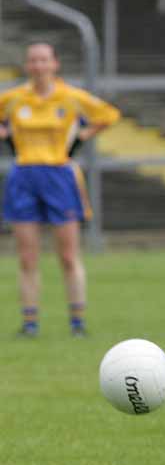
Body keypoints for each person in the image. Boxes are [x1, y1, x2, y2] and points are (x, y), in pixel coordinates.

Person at [0, 42, 120, 337]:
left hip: (59, 177)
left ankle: (77, 321)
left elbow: (108, 115)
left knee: (68, 256)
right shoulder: (14, 99)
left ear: (55, 64)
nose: (39, 65)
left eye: (44, 60)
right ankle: (30, 323)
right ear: (28, 66)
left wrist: (82, 136)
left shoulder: (71, 98)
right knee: (28, 257)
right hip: (23, 177)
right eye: (33, 60)